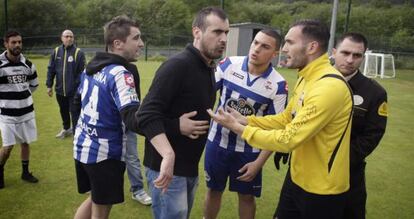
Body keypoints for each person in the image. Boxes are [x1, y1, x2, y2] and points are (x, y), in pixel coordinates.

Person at [208, 19, 353, 219]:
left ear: (311, 47)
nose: (284, 49)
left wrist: (240, 129)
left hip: (322, 189)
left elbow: (288, 139)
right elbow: (286, 118)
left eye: (290, 42)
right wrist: (247, 120)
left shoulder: (328, 87)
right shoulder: (307, 77)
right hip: (297, 178)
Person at [136, 6, 229, 219]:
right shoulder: (177, 66)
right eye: (217, 32)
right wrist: (173, 136)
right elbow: (145, 115)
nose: (223, 38)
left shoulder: (208, 67)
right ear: (197, 32)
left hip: (188, 167)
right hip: (167, 170)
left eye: (226, 33)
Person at [204, 29, 287, 219]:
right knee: (213, 190)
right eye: (255, 42)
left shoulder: (278, 85)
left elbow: (276, 129)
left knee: (247, 197)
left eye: (265, 46)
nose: (256, 49)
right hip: (217, 143)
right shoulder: (229, 65)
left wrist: (258, 163)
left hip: (249, 151)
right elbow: (204, 92)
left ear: (275, 54)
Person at [73, 15, 144, 219]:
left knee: (95, 198)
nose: (141, 43)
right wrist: (171, 125)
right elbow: (132, 117)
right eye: (136, 38)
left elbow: (78, 103)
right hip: (105, 153)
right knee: (101, 211)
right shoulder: (121, 73)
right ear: (118, 44)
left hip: (83, 146)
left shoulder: (91, 67)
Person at [332, 32, 388, 219]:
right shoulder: (313, 81)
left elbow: (372, 135)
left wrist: (340, 159)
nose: (350, 60)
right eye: (345, 53)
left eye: (357, 55)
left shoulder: (374, 92)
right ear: (334, 52)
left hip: (348, 173)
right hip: (306, 167)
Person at [0, 30, 39, 189]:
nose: (17, 45)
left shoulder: (28, 64)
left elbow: (34, 86)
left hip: (26, 112)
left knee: (25, 142)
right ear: (6, 44)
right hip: (7, 114)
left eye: (19, 42)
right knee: (8, 147)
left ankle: (25, 172)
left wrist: (21, 96)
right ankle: (0, 170)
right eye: (13, 42)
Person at [46, 29, 86, 138]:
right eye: (66, 36)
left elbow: (82, 73)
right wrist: (49, 85)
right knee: (63, 111)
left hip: (74, 91)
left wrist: (76, 87)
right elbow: (51, 69)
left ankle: (77, 134)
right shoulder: (56, 51)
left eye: (71, 36)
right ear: (62, 38)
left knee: (75, 112)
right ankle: (66, 129)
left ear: (73, 38)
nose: (69, 38)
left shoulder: (79, 53)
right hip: (59, 90)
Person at [124, 64, 152, 206]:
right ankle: (97, 186)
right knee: (105, 158)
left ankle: (138, 190)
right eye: (135, 39)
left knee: (132, 156)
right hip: (107, 122)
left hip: (127, 120)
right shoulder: (102, 66)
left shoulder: (132, 68)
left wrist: (133, 118)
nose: (140, 44)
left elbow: (136, 96)